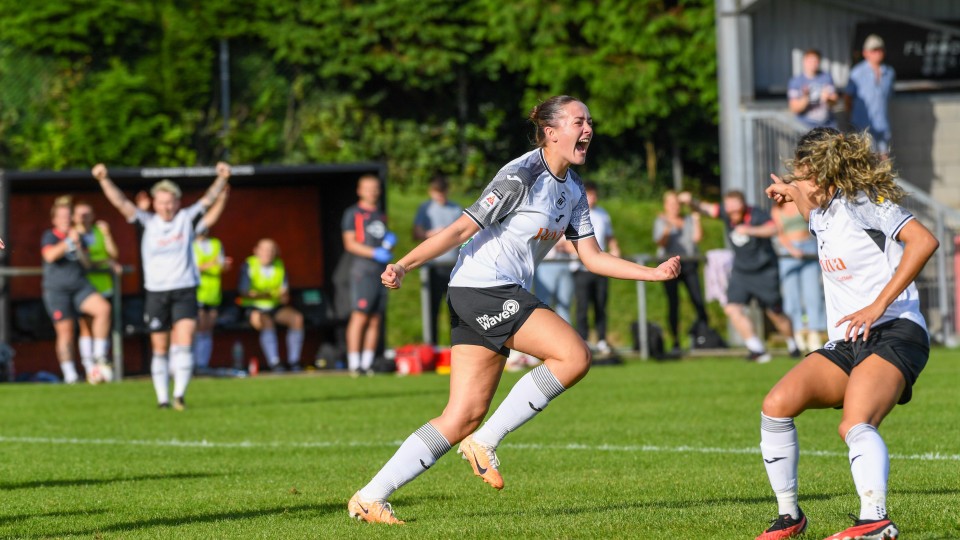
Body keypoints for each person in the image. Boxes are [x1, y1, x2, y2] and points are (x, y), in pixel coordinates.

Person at [347, 95, 680, 524]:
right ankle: (486, 442)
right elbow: (462, 228)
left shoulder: (575, 190)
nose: (588, 130)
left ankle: (370, 496)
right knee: (574, 355)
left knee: (461, 415)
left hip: (487, 293)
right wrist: (404, 264)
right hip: (482, 288)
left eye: (589, 122)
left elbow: (593, 258)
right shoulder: (520, 175)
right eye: (579, 122)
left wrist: (651, 274)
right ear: (551, 131)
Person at [756, 127, 938, 540]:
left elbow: (923, 241)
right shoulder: (820, 212)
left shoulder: (863, 203)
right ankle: (790, 517)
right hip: (848, 341)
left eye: (802, 177)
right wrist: (788, 191)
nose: (800, 185)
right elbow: (809, 207)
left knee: (854, 423)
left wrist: (878, 306)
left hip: (896, 330)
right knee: (776, 405)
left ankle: (875, 520)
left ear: (825, 174)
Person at [93, 162, 231, 410]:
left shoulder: (186, 220)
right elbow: (120, 203)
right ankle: (162, 399)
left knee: (185, 338)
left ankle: (179, 395)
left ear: (177, 203)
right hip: (156, 292)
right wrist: (104, 179)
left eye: (171, 202)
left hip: (185, 288)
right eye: (162, 202)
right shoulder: (146, 222)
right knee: (160, 346)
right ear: (154, 203)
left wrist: (221, 178)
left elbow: (208, 201)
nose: (167, 207)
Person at [680, 190, 800, 362]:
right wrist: (690, 200)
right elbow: (703, 208)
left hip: (764, 271)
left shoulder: (756, 214)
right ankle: (756, 349)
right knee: (732, 308)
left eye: (735, 211)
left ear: (743, 206)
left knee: (775, 313)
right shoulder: (726, 213)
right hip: (741, 271)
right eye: (729, 211)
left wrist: (750, 230)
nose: (732, 215)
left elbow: (773, 229)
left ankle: (792, 343)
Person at [41, 196, 113, 384]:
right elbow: (49, 256)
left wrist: (79, 247)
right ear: (54, 220)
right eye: (62, 216)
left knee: (103, 309)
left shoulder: (79, 236)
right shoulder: (50, 236)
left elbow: (87, 263)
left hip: (80, 286)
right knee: (66, 332)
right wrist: (67, 242)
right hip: (57, 290)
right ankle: (70, 375)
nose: (66, 220)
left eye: (68, 216)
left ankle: (99, 357)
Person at [341, 174, 396, 376]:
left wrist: (389, 244)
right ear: (360, 190)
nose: (372, 191)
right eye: (368, 188)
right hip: (362, 270)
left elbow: (382, 240)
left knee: (375, 318)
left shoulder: (380, 215)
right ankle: (354, 364)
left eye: (375, 188)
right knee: (360, 316)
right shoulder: (353, 213)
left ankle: (367, 363)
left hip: (380, 271)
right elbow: (350, 243)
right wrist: (373, 252)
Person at [653, 190, 710, 354]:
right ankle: (676, 341)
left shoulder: (688, 220)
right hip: (669, 265)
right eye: (671, 204)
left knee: (697, 299)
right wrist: (667, 229)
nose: (674, 207)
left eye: (676, 203)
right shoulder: (661, 221)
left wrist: (697, 219)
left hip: (689, 264)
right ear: (665, 205)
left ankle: (703, 335)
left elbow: (697, 238)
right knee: (673, 303)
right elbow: (661, 243)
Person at [72, 201, 122, 382]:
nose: (83, 217)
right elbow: (85, 262)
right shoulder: (73, 235)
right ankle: (90, 367)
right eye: (80, 214)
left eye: (87, 213)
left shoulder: (99, 231)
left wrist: (108, 235)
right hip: (83, 286)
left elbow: (113, 254)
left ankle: (99, 364)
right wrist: (104, 263)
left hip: (104, 285)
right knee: (86, 327)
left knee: (103, 326)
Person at [237, 238, 304, 372]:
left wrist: (282, 296)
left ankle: (294, 361)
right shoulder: (249, 265)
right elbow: (244, 292)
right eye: (265, 250)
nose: (268, 253)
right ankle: (274, 362)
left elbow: (284, 296)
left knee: (297, 319)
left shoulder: (279, 265)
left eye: (271, 250)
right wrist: (269, 295)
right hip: (254, 308)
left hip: (274, 307)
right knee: (265, 320)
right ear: (256, 251)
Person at [570, 181, 621, 354]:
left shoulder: (603, 214)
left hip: (601, 268)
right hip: (581, 269)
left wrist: (615, 249)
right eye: (588, 194)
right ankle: (583, 339)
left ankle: (601, 339)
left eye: (594, 194)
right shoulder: (575, 213)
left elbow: (610, 236)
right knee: (582, 306)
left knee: (600, 304)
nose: (592, 198)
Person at [412, 175, 463, 345]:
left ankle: (454, 346)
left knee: (455, 310)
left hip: (452, 266)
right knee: (432, 308)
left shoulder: (455, 209)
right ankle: (431, 345)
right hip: (433, 266)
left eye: (443, 193)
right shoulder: (425, 208)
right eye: (437, 193)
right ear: (431, 192)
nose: (440, 197)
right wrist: (433, 234)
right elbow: (416, 233)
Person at [771, 200, 827, 353]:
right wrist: (792, 249)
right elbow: (779, 232)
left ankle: (814, 331)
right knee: (791, 294)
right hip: (788, 251)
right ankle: (797, 331)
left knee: (813, 292)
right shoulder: (777, 209)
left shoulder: (802, 202)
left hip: (808, 247)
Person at [192, 186, 231, 374]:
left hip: (213, 292)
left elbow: (221, 264)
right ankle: (191, 364)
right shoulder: (189, 243)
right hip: (197, 291)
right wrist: (210, 264)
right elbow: (191, 267)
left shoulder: (216, 244)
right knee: (196, 328)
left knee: (208, 329)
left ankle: (203, 364)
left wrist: (223, 265)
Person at [845, 34, 895, 156]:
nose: (877, 53)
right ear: (865, 53)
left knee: (884, 162)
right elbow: (848, 98)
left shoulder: (889, 72)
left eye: (880, 50)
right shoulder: (857, 73)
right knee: (867, 162)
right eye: (874, 50)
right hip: (862, 126)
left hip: (882, 125)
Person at [787, 48, 838, 129]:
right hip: (804, 127)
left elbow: (834, 101)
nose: (813, 64)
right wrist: (806, 98)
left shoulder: (826, 78)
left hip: (827, 125)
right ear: (804, 61)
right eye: (810, 61)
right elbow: (794, 108)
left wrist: (827, 99)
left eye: (816, 61)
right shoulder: (796, 81)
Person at [532, 239, 574, 322]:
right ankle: (542, 333)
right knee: (544, 304)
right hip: (545, 263)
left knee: (565, 305)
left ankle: (563, 334)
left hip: (565, 263)